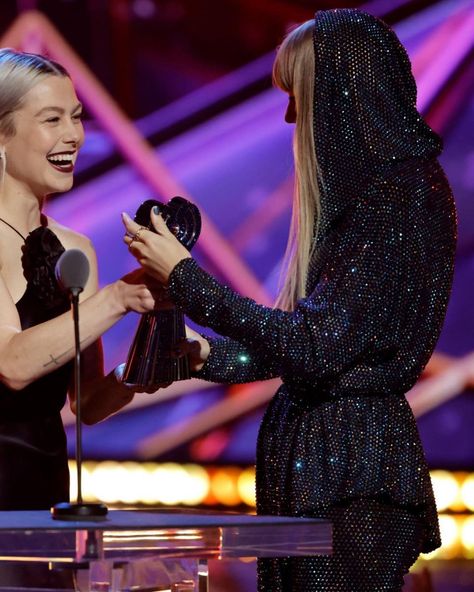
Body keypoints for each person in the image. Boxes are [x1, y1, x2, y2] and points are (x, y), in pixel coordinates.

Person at [123, 9, 456, 591]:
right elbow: (315, 352)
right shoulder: (382, 193)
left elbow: (316, 348)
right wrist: (209, 357)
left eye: (297, 95)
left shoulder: (394, 195)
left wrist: (186, 279)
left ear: (339, 96)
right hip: (332, 466)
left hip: (351, 471)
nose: (288, 115)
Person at [0, 49, 157, 511]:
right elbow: (11, 364)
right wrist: (118, 298)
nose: (74, 136)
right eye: (52, 119)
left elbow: (87, 404)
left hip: (46, 495)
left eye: (77, 117)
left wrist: (147, 364)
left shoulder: (74, 249)